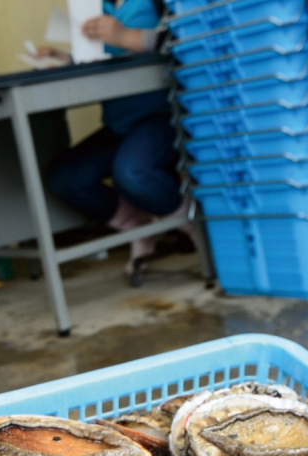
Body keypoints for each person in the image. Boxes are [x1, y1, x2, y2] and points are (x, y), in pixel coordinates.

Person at [44, 1, 190, 286]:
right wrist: (61, 56)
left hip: (162, 114)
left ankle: (189, 222)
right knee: (65, 178)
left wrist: (126, 37)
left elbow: (188, 39)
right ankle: (139, 228)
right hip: (119, 122)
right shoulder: (95, 7)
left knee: (133, 172)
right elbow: (101, 56)